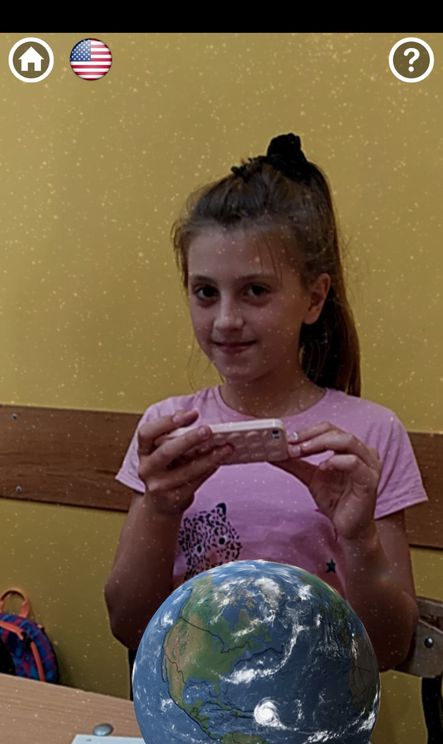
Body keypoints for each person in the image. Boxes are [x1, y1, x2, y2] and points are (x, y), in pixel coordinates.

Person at [104, 133, 428, 688]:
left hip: (316, 721)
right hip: (192, 717)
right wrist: (159, 508)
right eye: (205, 292)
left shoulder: (370, 434)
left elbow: (391, 648)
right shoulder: (169, 431)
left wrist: (358, 540)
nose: (226, 320)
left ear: (314, 298)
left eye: (255, 291)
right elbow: (129, 625)